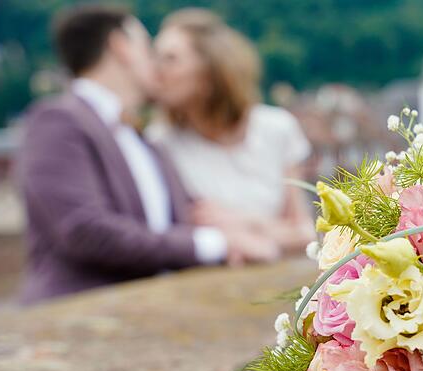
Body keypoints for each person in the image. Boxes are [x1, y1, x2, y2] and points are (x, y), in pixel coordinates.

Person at [16, 5, 277, 305]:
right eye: (147, 48)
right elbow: (84, 230)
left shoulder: (145, 140)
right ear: (121, 47)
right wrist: (216, 243)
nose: (155, 64)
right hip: (77, 316)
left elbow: (184, 220)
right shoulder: (57, 119)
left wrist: (239, 231)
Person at [147, 9, 314, 254]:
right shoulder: (160, 142)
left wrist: (244, 223)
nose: (155, 71)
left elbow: (305, 234)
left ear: (209, 71)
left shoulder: (277, 128)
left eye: (170, 59)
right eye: (154, 57)